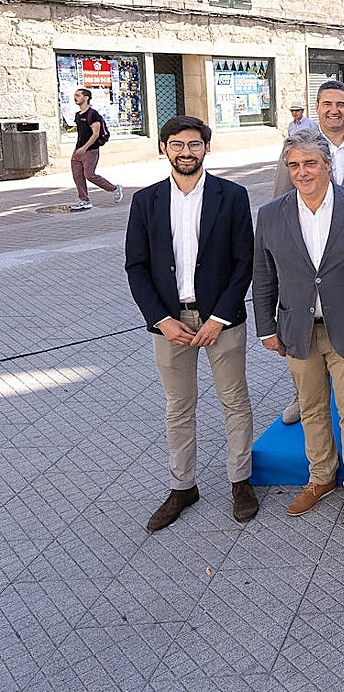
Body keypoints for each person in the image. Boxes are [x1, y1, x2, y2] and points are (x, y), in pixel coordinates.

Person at [124, 115, 257, 532]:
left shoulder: (232, 196)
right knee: (178, 405)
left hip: (221, 319)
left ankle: (240, 481)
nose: (186, 152)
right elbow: (136, 266)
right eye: (178, 144)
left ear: (206, 148)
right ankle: (183, 486)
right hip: (170, 322)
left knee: (234, 401)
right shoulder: (145, 201)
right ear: (164, 148)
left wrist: (219, 317)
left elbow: (244, 262)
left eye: (194, 144)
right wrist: (161, 319)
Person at [252, 130, 344, 528]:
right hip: (297, 328)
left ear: (328, 165)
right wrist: (266, 328)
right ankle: (321, 477)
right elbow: (263, 276)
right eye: (294, 165)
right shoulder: (271, 214)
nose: (302, 172)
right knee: (311, 407)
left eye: (310, 163)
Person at [274, 80, 344, 208]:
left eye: (340, 104)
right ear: (317, 107)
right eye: (327, 104)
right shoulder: (295, 146)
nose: (334, 110)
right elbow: (281, 199)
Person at [69, 88, 123, 210]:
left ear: (86, 98)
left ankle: (114, 188)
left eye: (78, 95)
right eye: (75, 95)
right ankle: (84, 200)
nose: (75, 97)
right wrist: (79, 148)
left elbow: (95, 134)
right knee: (77, 175)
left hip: (91, 150)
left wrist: (84, 148)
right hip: (78, 150)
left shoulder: (93, 115)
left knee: (89, 175)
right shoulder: (78, 115)